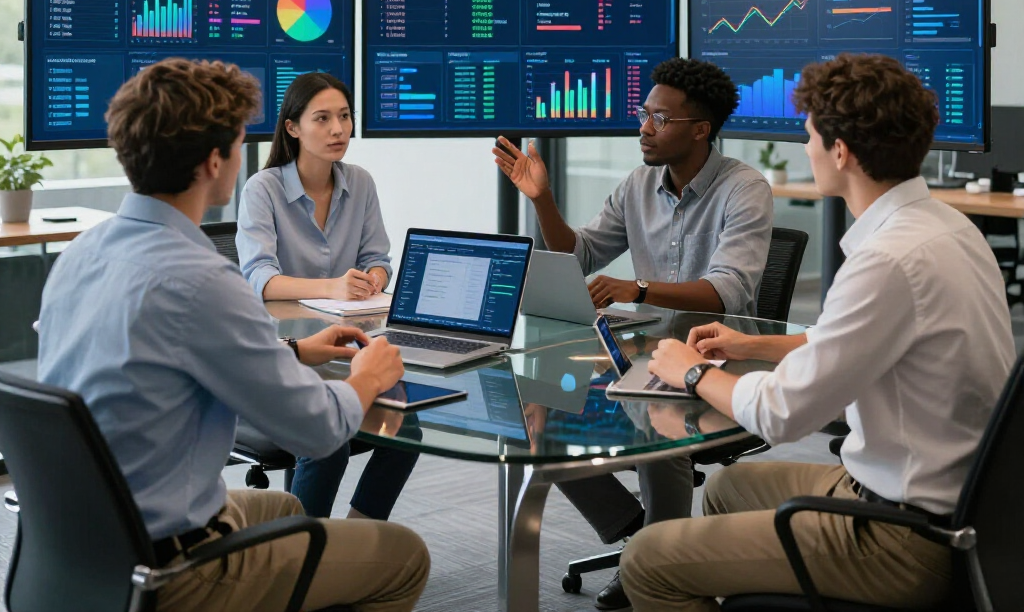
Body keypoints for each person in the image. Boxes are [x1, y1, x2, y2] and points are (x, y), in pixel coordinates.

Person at [622, 53, 1015, 612]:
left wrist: (690, 371)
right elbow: (854, 341)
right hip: (945, 500)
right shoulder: (947, 228)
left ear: (840, 151)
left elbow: (782, 414)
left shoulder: (887, 261)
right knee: (728, 488)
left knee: (647, 559)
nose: (805, 148)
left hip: (900, 537)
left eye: (809, 136)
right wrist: (749, 345)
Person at [38, 58, 429, 612]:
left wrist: (294, 350)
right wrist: (365, 379)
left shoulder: (79, 255)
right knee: (407, 556)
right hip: (174, 565)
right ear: (216, 161)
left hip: (90, 537)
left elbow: (163, 359)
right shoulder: (201, 279)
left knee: (290, 513)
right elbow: (318, 430)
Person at [493, 57, 773, 610]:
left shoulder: (744, 189)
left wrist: (637, 288)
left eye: (659, 119)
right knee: (531, 406)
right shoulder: (638, 184)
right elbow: (578, 256)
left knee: (660, 427)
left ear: (700, 129)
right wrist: (541, 198)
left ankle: (661, 564)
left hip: (711, 357)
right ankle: (638, 532)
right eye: (644, 114)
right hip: (635, 349)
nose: (643, 127)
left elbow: (727, 290)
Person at [236, 71, 419, 521]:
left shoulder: (361, 183)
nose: (338, 130)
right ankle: (300, 553)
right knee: (328, 441)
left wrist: (373, 278)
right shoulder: (264, 189)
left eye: (344, 117)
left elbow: (379, 256)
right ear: (293, 127)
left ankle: (356, 534)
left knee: (407, 427)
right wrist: (333, 286)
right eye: (322, 118)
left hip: (349, 350)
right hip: (290, 355)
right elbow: (260, 277)